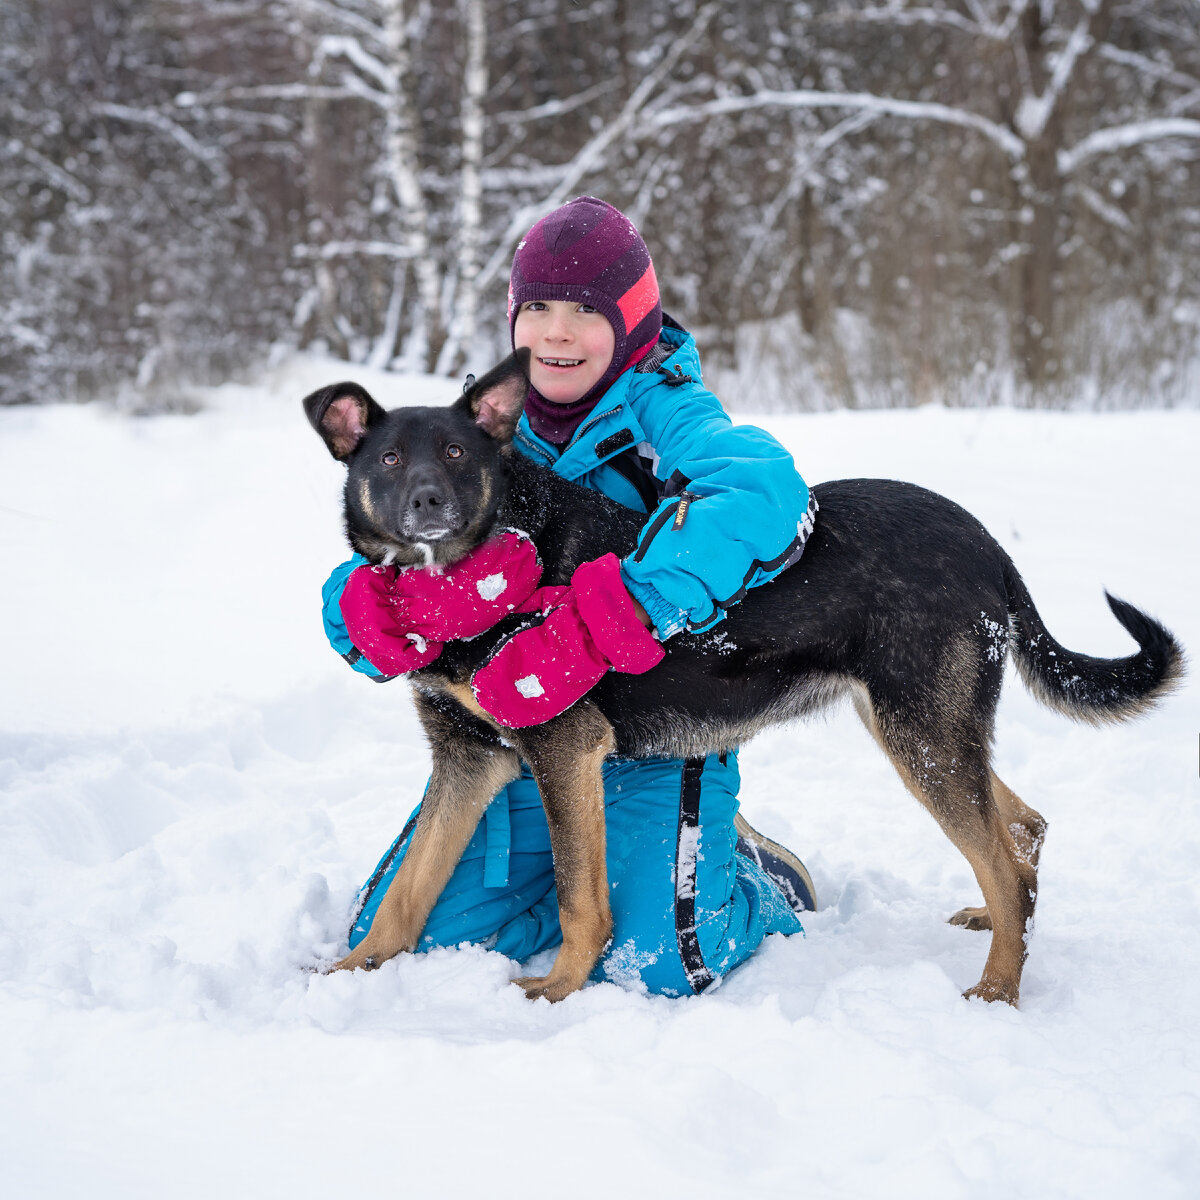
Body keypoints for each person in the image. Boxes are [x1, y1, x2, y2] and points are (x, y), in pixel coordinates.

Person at [321, 196, 818, 996]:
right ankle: (591, 872)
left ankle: (745, 880)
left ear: (631, 322)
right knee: (421, 938)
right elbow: (393, 532)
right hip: (528, 737)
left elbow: (763, 490)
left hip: (656, 727)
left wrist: (610, 615)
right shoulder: (476, 422)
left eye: (586, 310)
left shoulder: (666, 411)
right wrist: (361, 609)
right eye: (538, 308)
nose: (556, 332)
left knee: (659, 964)